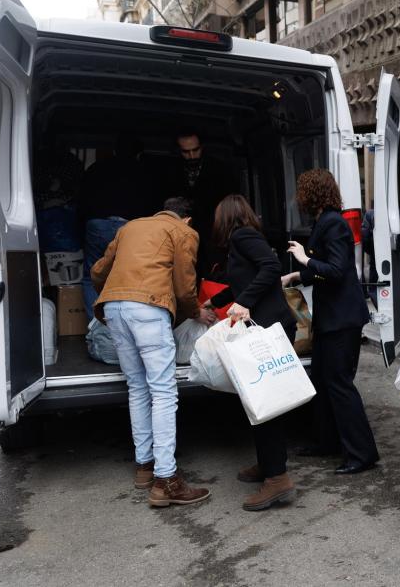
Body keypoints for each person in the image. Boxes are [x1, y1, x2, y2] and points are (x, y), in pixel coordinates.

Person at [92, 197, 217, 507]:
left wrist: (117, 293)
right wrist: (194, 312)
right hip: (148, 308)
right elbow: (184, 283)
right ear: (186, 218)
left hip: (114, 308)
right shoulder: (183, 231)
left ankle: (145, 466)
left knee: (137, 386)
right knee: (163, 392)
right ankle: (167, 480)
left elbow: (98, 270)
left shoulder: (129, 227)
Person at [203, 194, 299, 511]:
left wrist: (243, 303)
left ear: (226, 217)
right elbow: (244, 281)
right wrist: (214, 303)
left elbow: (270, 267)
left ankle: (277, 479)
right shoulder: (242, 241)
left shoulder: (243, 236)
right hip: (264, 326)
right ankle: (267, 465)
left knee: (266, 402)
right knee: (256, 398)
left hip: (269, 327)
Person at [282, 169, 380, 475]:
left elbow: (337, 269)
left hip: (342, 319)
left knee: (339, 385)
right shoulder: (325, 221)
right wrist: (297, 276)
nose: (298, 198)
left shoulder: (333, 223)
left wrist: (304, 260)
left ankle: (362, 454)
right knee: (323, 381)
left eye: (302, 191)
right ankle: (327, 442)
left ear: (312, 193)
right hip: (332, 318)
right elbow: (327, 270)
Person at [79, 134, 150, 319]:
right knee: (130, 277)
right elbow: (151, 205)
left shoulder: (95, 168)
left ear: (114, 150)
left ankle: (96, 328)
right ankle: (126, 326)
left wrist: (82, 229)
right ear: (139, 153)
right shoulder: (143, 171)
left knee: (91, 277)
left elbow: (82, 201)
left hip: (97, 224)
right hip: (130, 228)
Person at [171, 132, 237, 277]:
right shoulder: (171, 170)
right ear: (178, 151)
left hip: (212, 233)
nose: (192, 155)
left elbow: (228, 201)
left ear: (202, 147)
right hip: (179, 233)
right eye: (186, 152)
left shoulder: (219, 169)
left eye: (195, 150)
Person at [361, 207, 400, 305]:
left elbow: (364, 239)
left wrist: (373, 252)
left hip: (376, 259)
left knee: (376, 289)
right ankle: (393, 309)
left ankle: (381, 308)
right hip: (396, 258)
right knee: (395, 288)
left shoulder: (370, 214)